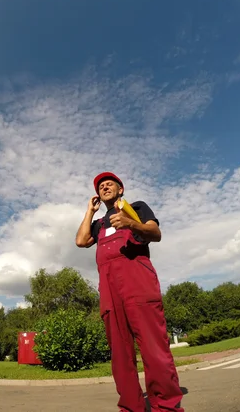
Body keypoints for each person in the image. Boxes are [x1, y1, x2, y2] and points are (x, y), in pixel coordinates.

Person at [75, 172, 184, 412]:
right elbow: (81, 241)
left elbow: (156, 234)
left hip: (138, 284)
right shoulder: (99, 224)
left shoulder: (137, 208)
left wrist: (131, 223)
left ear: (120, 189)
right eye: (101, 186)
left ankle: (166, 406)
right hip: (110, 291)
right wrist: (90, 212)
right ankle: (131, 407)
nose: (104, 187)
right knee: (120, 356)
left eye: (109, 183)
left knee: (154, 349)